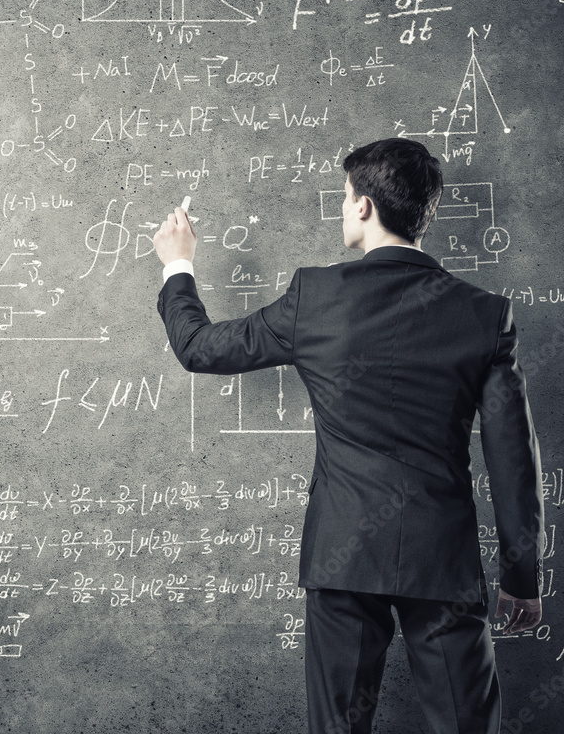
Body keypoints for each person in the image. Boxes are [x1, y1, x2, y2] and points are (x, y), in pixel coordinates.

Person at [152, 138, 543, 734]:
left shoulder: (315, 298)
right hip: (441, 561)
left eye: (342, 198)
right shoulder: (484, 315)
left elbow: (199, 347)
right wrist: (523, 577)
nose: (342, 209)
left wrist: (178, 264)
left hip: (344, 557)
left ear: (363, 207)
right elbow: (512, 460)